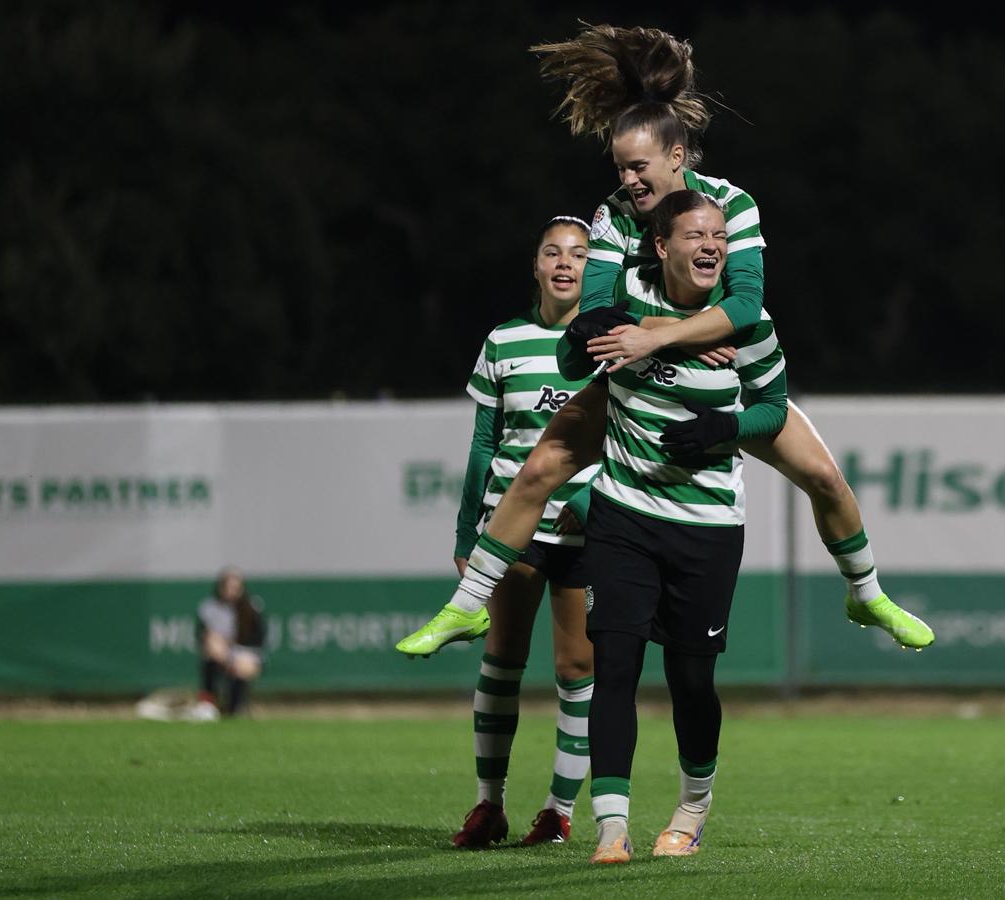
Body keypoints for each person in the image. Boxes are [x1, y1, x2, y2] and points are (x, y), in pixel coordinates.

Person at [417, 23, 932, 659]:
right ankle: (466, 608)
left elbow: (744, 310)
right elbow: (598, 319)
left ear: (677, 160)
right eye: (620, 167)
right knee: (540, 469)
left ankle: (867, 592)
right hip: (640, 385)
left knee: (826, 477)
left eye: (638, 167)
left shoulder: (731, 207)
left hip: (729, 380)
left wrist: (657, 331)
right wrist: (679, 335)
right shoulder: (611, 217)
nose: (628, 180)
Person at [576, 190, 788, 863]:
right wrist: (584, 334)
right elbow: (570, 362)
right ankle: (611, 825)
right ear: (661, 246)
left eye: (721, 237)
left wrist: (726, 427)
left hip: (706, 525)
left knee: (691, 682)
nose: (712, 247)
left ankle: (693, 808)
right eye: (696, 235)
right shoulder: (630, 298)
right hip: (624, 513)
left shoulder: (744, 323)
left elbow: (774, 411)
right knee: (613, 665)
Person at [398, 217, 603, 849]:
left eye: (578, 254)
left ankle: (558, 812)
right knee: (502, 662)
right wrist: (467, 534)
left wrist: (593, 500)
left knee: (576, 666)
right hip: (512, 531)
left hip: (584, 530)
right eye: (553, 253)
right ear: (536, 266)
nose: (565, 263)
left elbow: (629, 434)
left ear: (592, 269)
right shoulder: (505, 340)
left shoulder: (609, 342)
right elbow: (483, 445)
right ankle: (489, 805)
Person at [193, 566, 266, 721]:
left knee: (240, 667)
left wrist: (235, 651)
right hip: (221, 655)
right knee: (213, 652)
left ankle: (233, 709)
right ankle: (208, 704)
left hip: (244, 655)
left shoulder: (251, 607)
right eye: (229, 587)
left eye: (237, 587)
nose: (233, 591)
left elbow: (258, 640)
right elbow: (202, 636)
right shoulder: (210, 608)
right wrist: (222, 650)